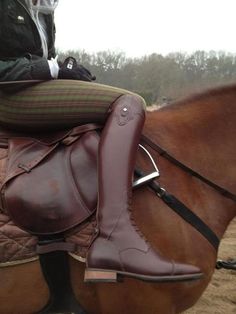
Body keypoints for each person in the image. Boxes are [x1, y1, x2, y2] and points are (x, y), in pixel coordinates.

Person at [0, 0, 202, 282]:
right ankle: (114, 237)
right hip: (6, 97)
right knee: (128, 104)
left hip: (30, 88)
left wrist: (63, 69)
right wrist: (54, 69)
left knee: (95, 123)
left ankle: (88, 252)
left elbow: (41, 58)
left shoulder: (40, 6)